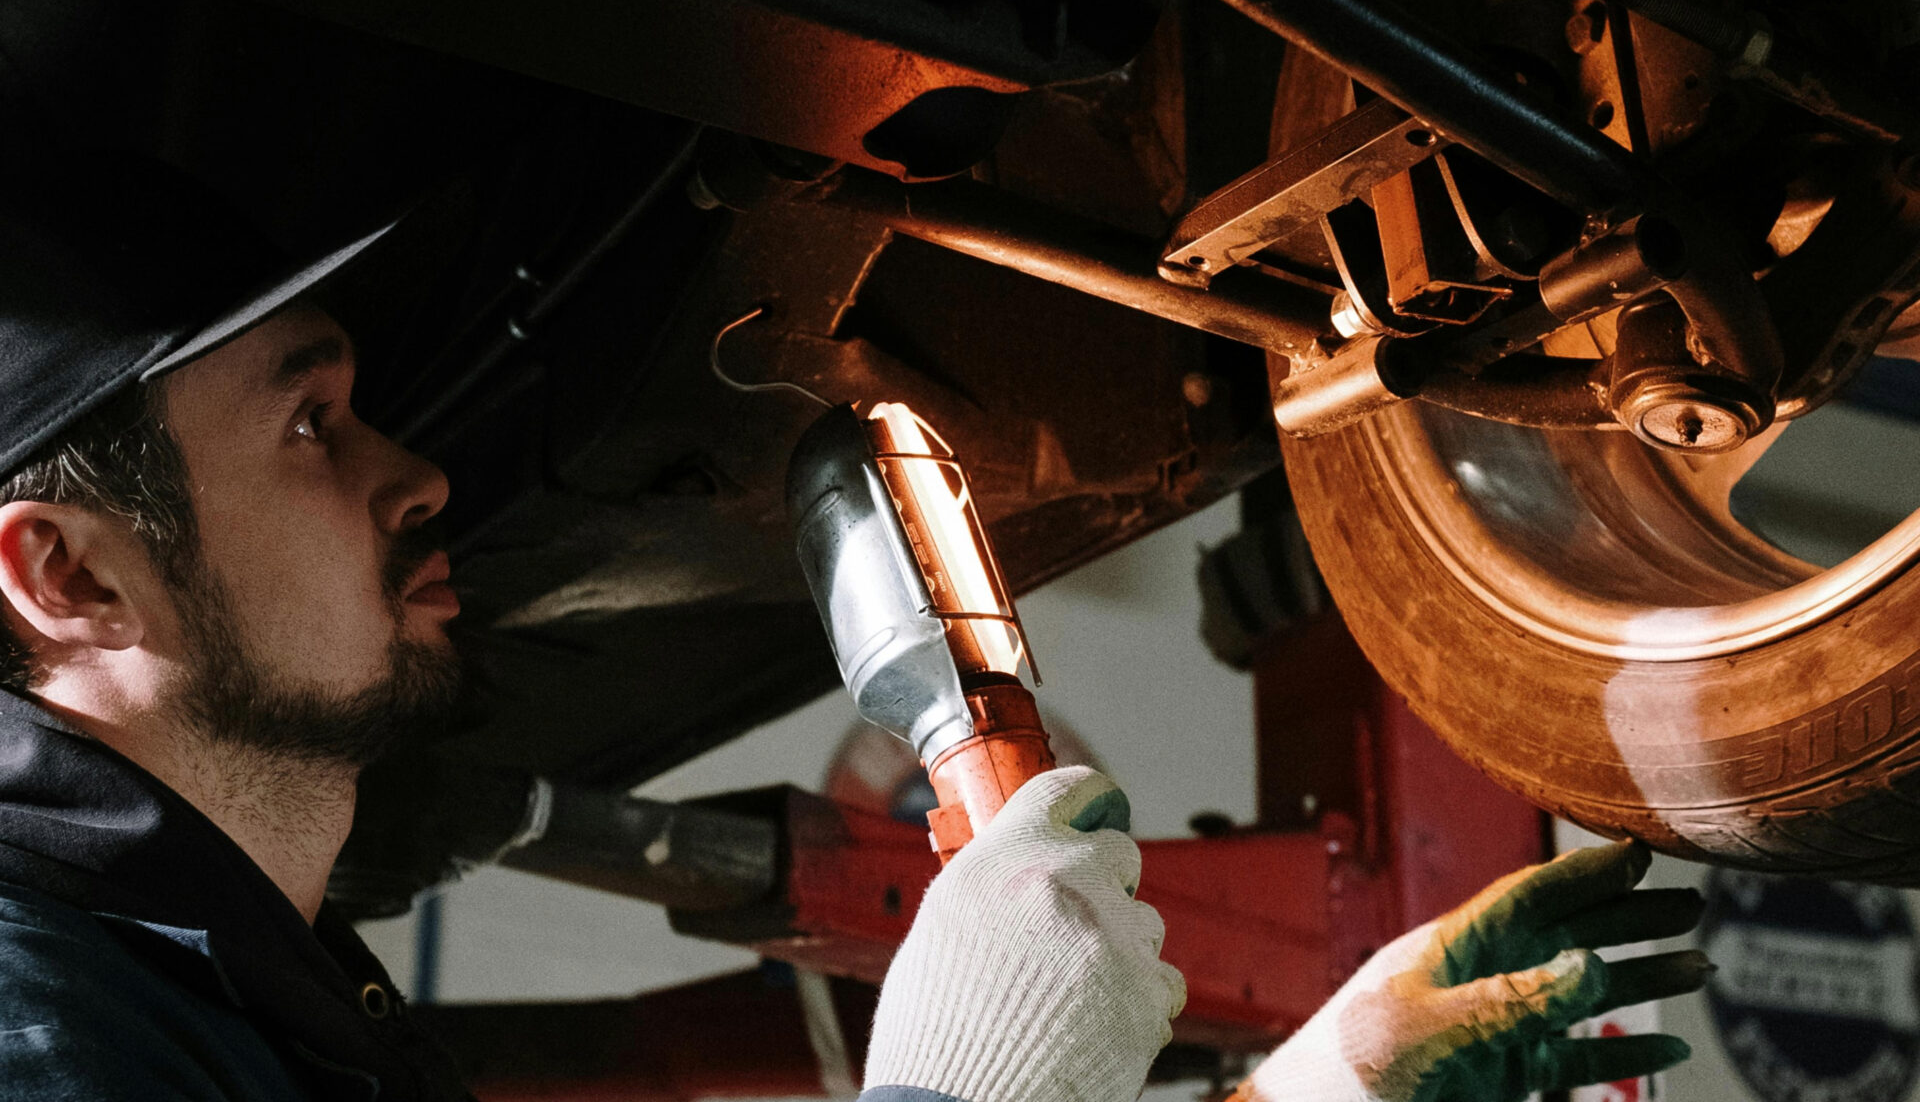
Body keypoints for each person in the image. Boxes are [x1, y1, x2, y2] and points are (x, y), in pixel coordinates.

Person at [0, 157, 1707, 1101]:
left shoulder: (243, 1004)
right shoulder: (43, 1035)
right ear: (66, 578)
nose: (424, 477)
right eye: (313, 427)